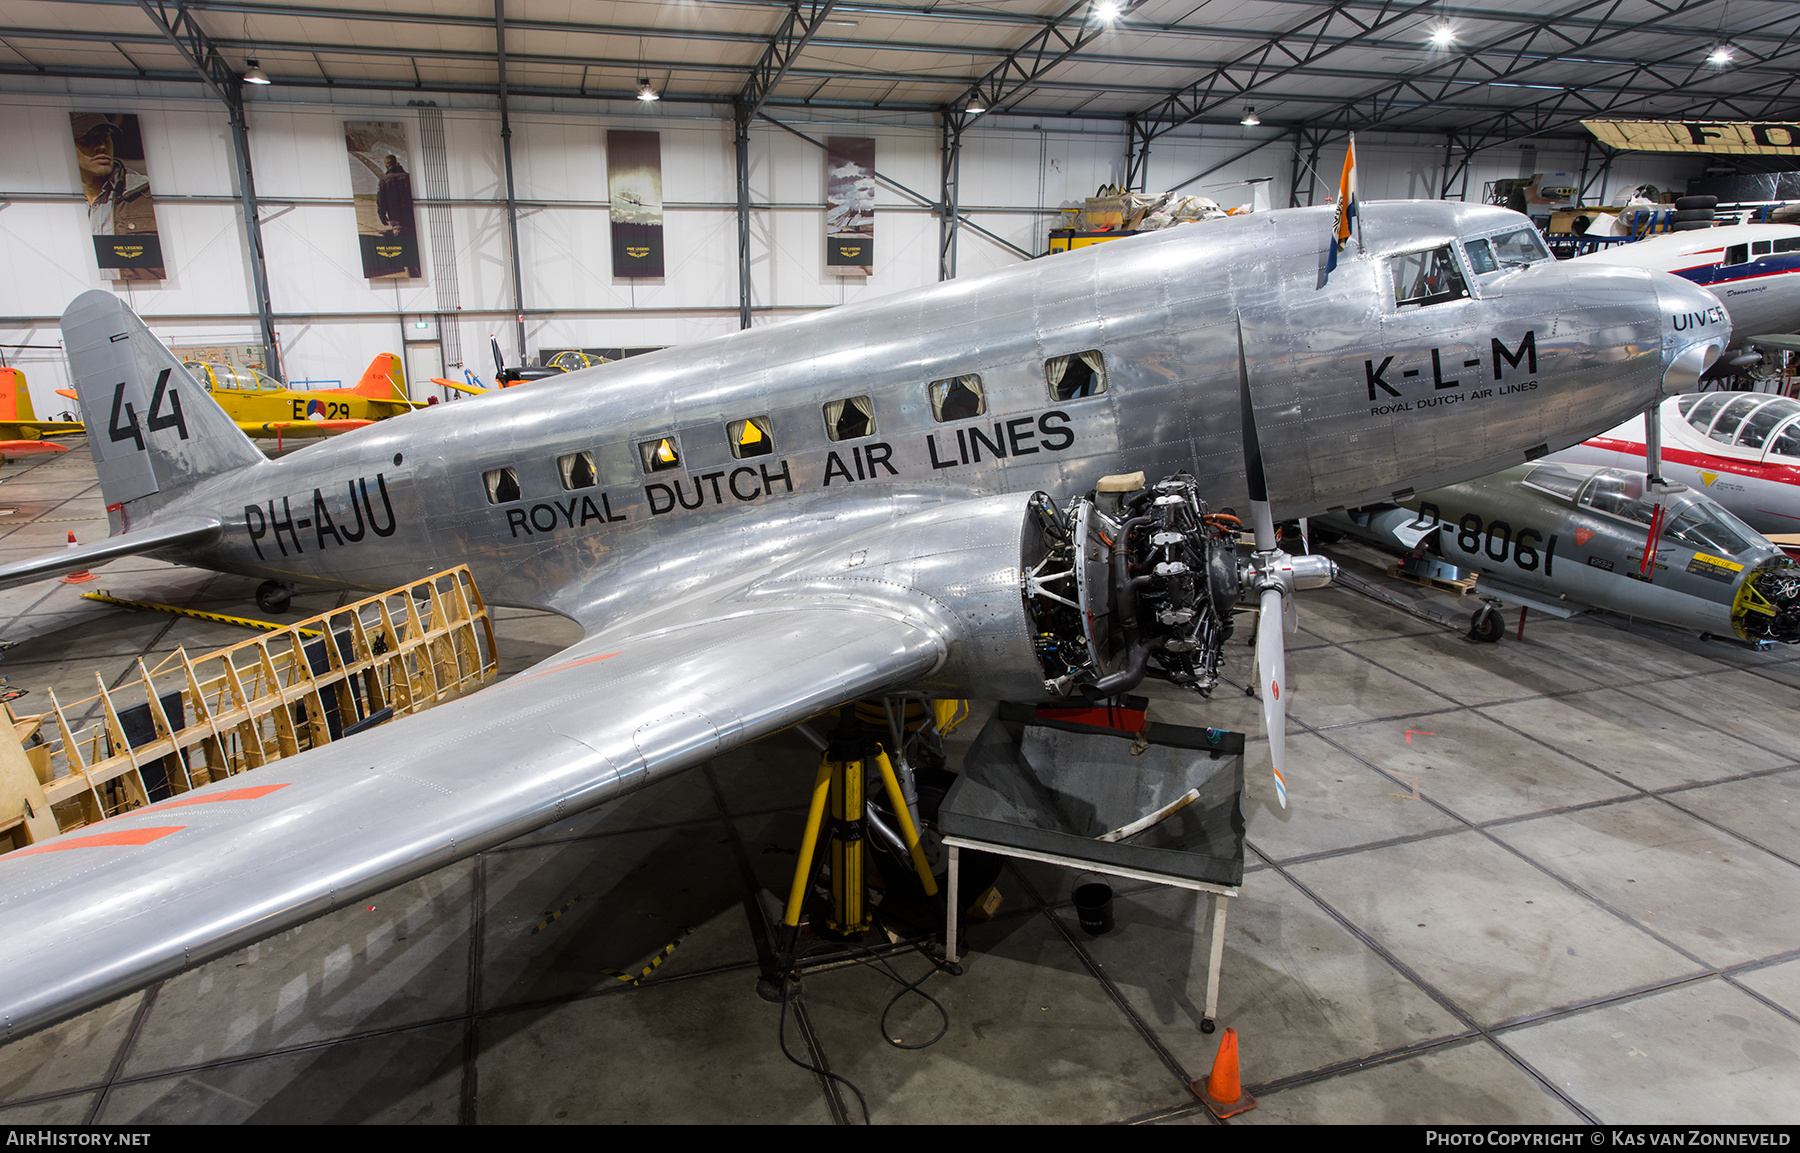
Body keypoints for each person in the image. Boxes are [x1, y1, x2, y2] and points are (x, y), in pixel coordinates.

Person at [72, 113, 161, 280]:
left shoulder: (145, 194)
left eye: (105, 137)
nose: (100, 146)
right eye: (86, 139)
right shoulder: (53, 202)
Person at [376, 155, 415, 236]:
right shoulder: (408, 177)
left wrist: (382, 215)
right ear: (397, 163)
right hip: (410, 217)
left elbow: (381, 201)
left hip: (395, 218)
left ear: (386, 166)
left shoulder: (384, 180)